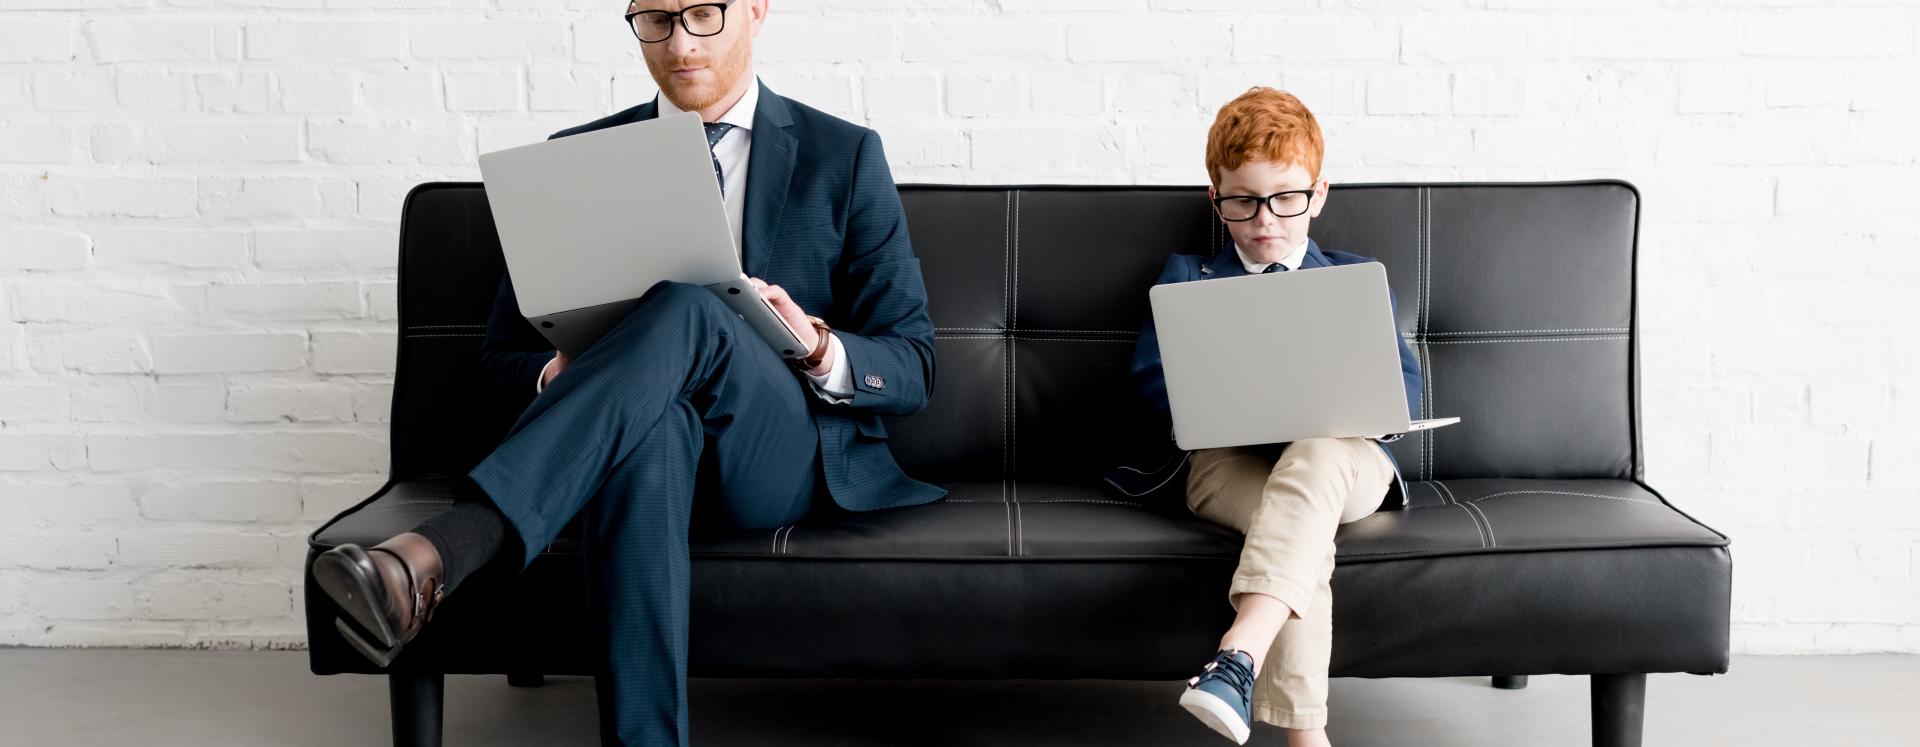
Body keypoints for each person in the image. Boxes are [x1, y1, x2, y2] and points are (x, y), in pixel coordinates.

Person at [310, 1, 943, 744]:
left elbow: (914, 362)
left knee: (689, 307)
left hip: (774, 454)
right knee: (653, 430)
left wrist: (814, 343)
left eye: (704, 14)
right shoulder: (577, 160)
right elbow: (495, 364)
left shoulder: (845, 156)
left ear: (756, 11)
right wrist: (562, 376)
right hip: (626, 440)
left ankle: (445, 548)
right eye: (655, 19)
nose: (679, 43)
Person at [1125, 87, 1422, 746]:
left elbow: (1405, 389)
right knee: (1297, 529)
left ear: (1318, 195)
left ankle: (1239, 655)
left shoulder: (1356, 276)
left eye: (1286, 198)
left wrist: (1345, 405)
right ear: (1217, 200)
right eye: (1244, 201)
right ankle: (1303, 736)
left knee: (1316, 454)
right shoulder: (1185, 279)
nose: (1265, 220)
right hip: (1226, 464)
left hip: (1342, 462)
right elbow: (1150, 385)